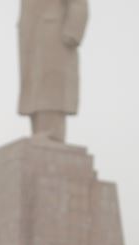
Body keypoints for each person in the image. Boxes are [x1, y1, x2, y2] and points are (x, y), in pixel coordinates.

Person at [18, 0, 89, 142]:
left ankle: (52, 132)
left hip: (54, 32)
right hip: (32, 38)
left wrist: (73, 30)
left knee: (51, 85)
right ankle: (38, 131)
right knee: (34, 88)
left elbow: (79, 3)